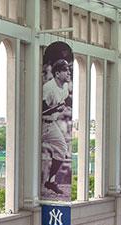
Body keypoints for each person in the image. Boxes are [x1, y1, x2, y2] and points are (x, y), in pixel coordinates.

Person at [41, 58, 71, 195]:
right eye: (66, 70)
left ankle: (50, 181)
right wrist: (56, 109)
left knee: (62, 148)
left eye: (69, 70)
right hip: (38, 124)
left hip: (51, 124)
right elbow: (41, 109)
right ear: (57, 73)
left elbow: (61, 102)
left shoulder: (65, 88)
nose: (69, 72)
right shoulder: (48, 87)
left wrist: (62, 106)